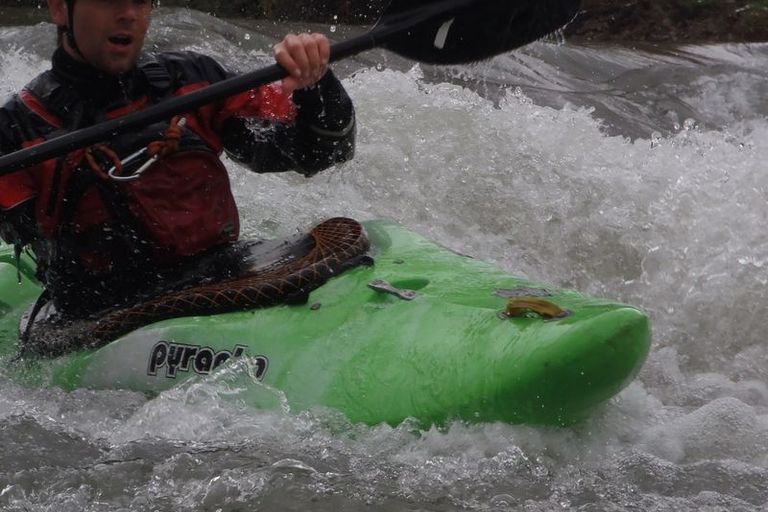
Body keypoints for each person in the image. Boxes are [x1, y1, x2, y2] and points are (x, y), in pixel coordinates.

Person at [0, 0, 356, 319]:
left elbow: (320, 152)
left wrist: (315, 83)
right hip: (101, 314)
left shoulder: (192, 81)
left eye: (141, 1)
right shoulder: (17, 131)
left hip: (220, 276)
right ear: (60, 8)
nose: (128, 14)